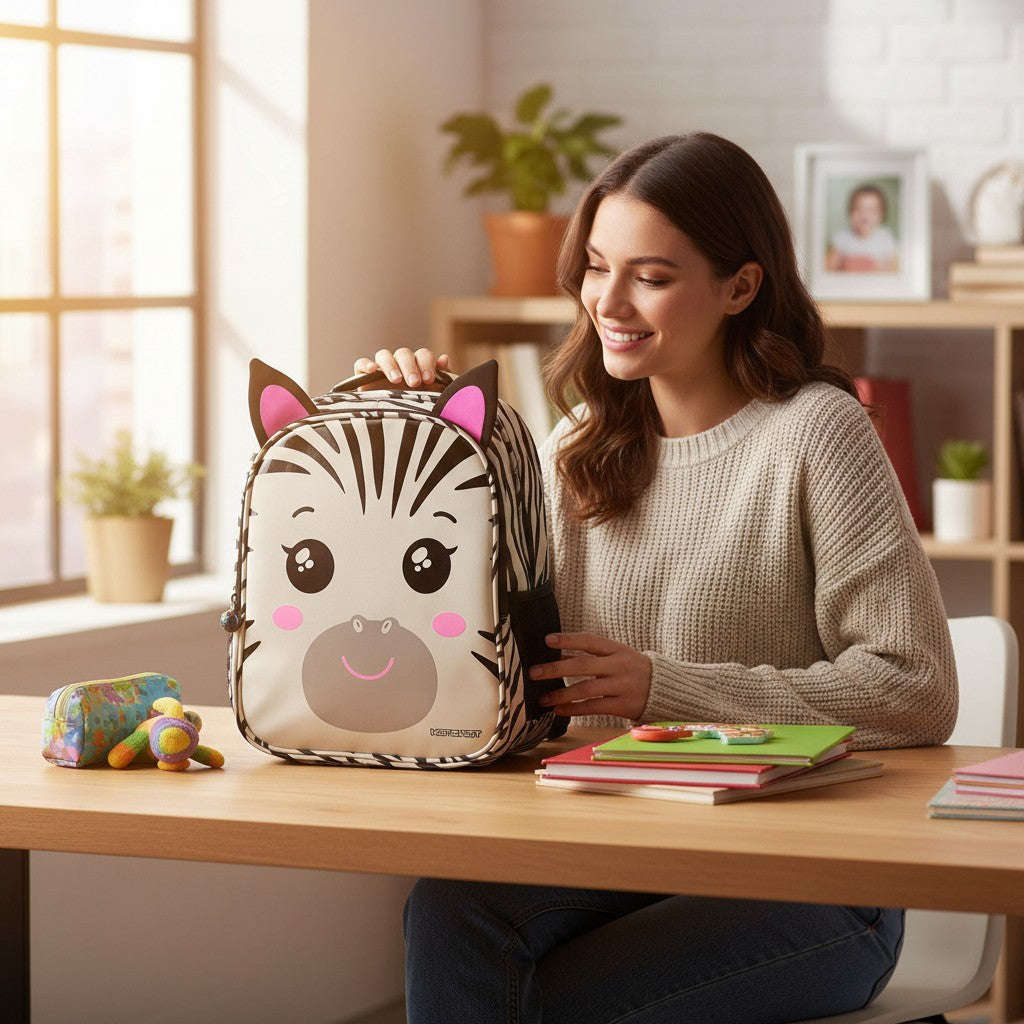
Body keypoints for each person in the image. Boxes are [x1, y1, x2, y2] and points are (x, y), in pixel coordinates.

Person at [354, 132, 957, 1024]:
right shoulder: (574, 448)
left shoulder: (817, 435)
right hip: (619, 851)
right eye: (597, 267)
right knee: (451, 909)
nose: (610, 301)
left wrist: (664, 688)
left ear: (741, 286)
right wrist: (411, 424)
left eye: (652, 275)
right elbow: (460, 642)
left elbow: (916, 691)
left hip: (808, 887)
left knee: (535, 1004)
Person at [825, 183, 899, 272]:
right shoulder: (843, 237)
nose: (865, 216)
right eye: (858, 210)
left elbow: (893, 271)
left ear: (882, 214)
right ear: (849, 212)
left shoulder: (885, 238)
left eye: (872, 210)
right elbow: (828, 268)